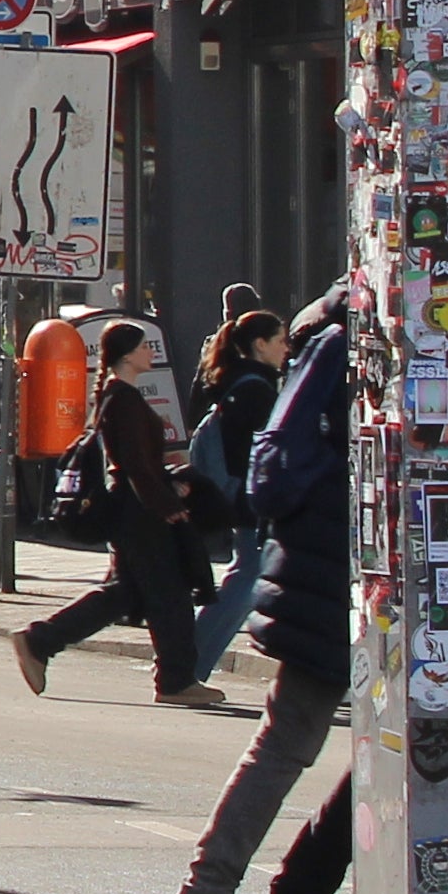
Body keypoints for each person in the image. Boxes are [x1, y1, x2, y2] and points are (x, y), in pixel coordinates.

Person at [170, 290, 355, 894]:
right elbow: (274, 472)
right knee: (288, 743)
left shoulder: (331, 346)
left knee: (414, 749)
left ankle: (276, 890)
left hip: (333, 577)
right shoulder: (344, 345)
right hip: (336, 583)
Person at [9, 316, 214, 700]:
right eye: (141, 346)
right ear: (124, 355)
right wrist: (165, 502)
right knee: (169, 593)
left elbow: (134, 459)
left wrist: (164, 474)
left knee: (125, 594)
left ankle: (40, 641)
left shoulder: (117, 396)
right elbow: (132, 463)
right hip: (139, 512)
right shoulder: (123, 398)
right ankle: (175, 681)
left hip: (132, 507)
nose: (148, 352)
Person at [176, 300, 287, 706]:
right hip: (252, 504)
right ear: (259, 344)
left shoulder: (233, 381)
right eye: (279, 340)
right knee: (245, 583)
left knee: (253, 581)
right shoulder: (256, 390)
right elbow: (256, 456)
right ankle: (186, 668)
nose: (285, 348)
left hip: (243, 501)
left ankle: (185, 665)